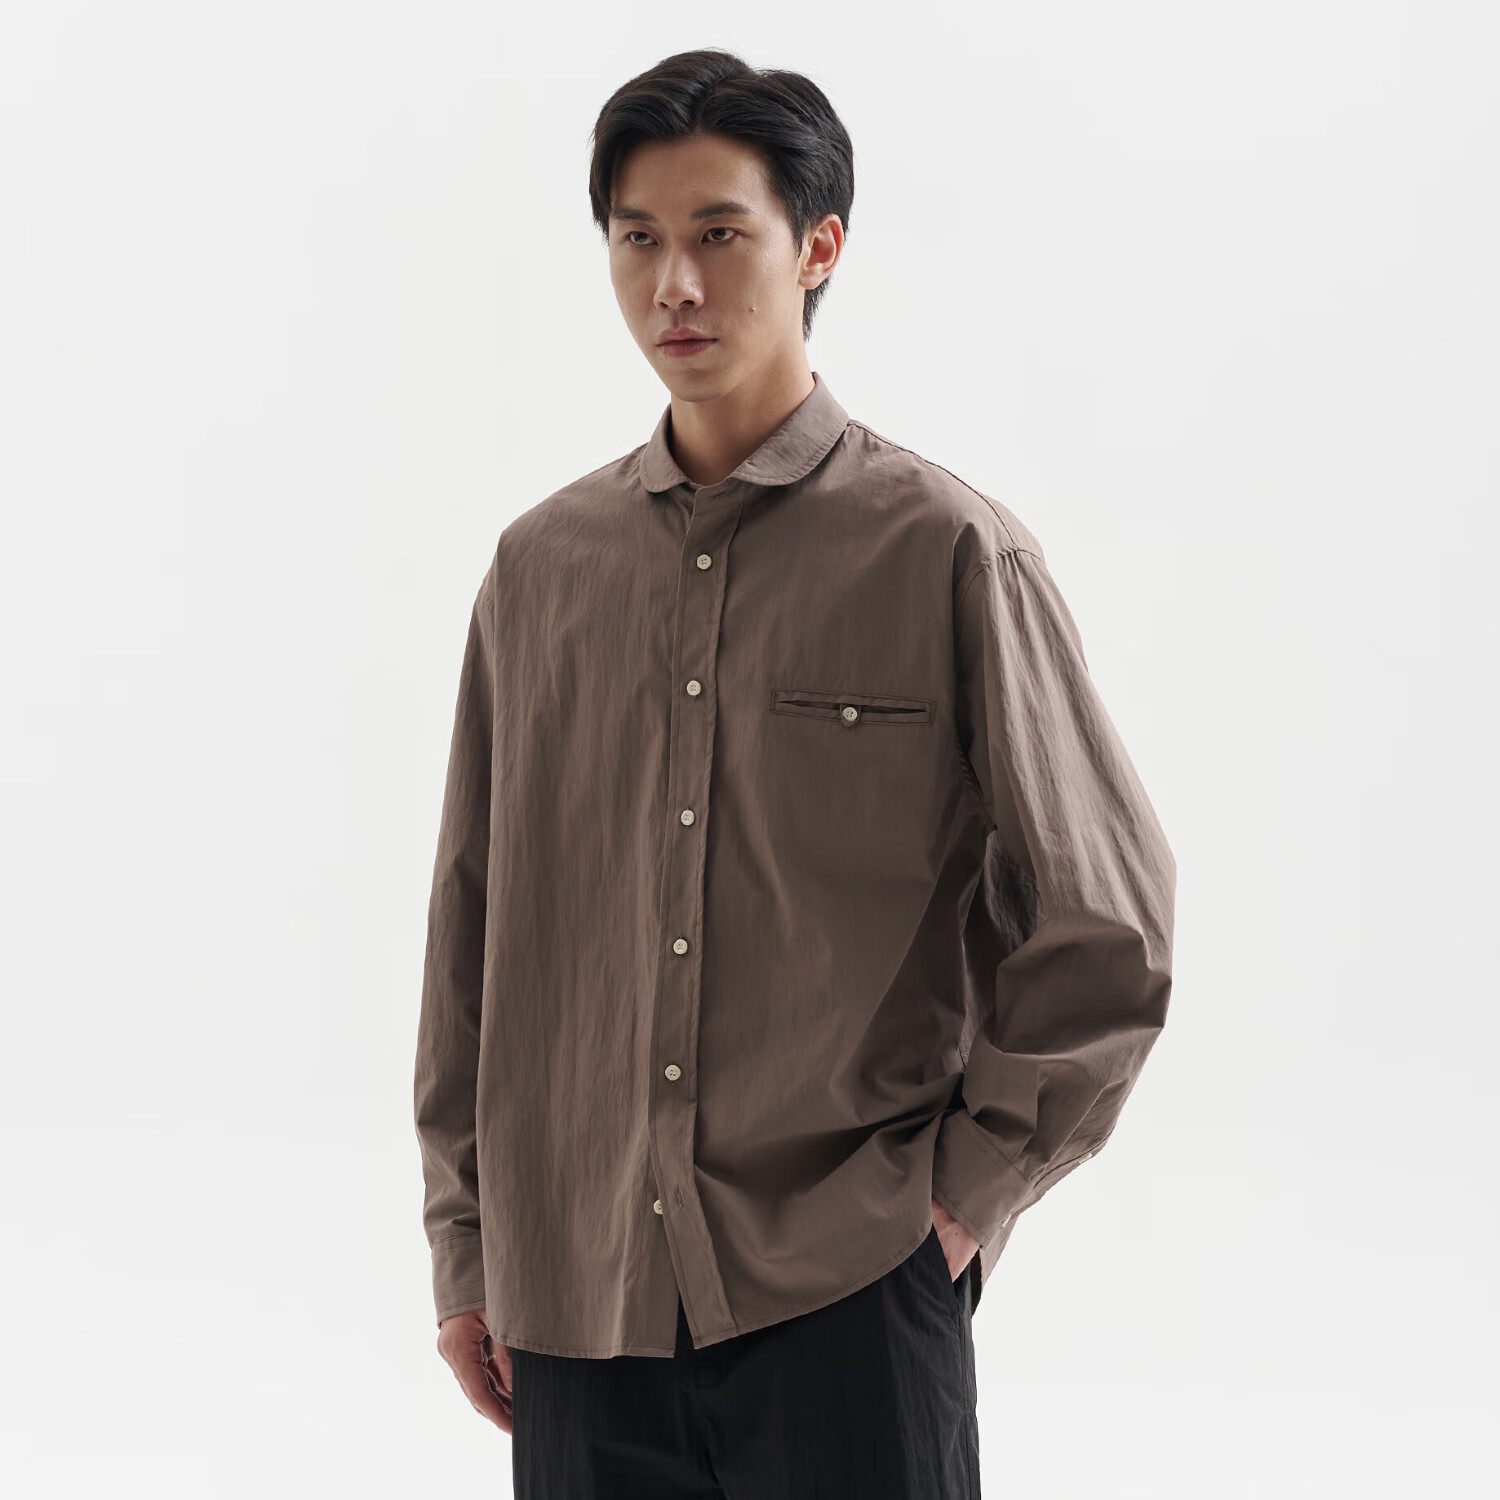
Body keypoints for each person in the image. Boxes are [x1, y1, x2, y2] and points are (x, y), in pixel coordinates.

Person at [413, 47, 1176, 1499]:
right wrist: (467, 1246)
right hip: (577, 1303)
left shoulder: (946, 550)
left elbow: (1107, 923)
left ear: (819, 246)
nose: (674, 285)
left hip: (848, 1291)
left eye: (719, 234)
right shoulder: (538, 572)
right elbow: (473, 941)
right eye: (637, 239)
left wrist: (961, 1200)